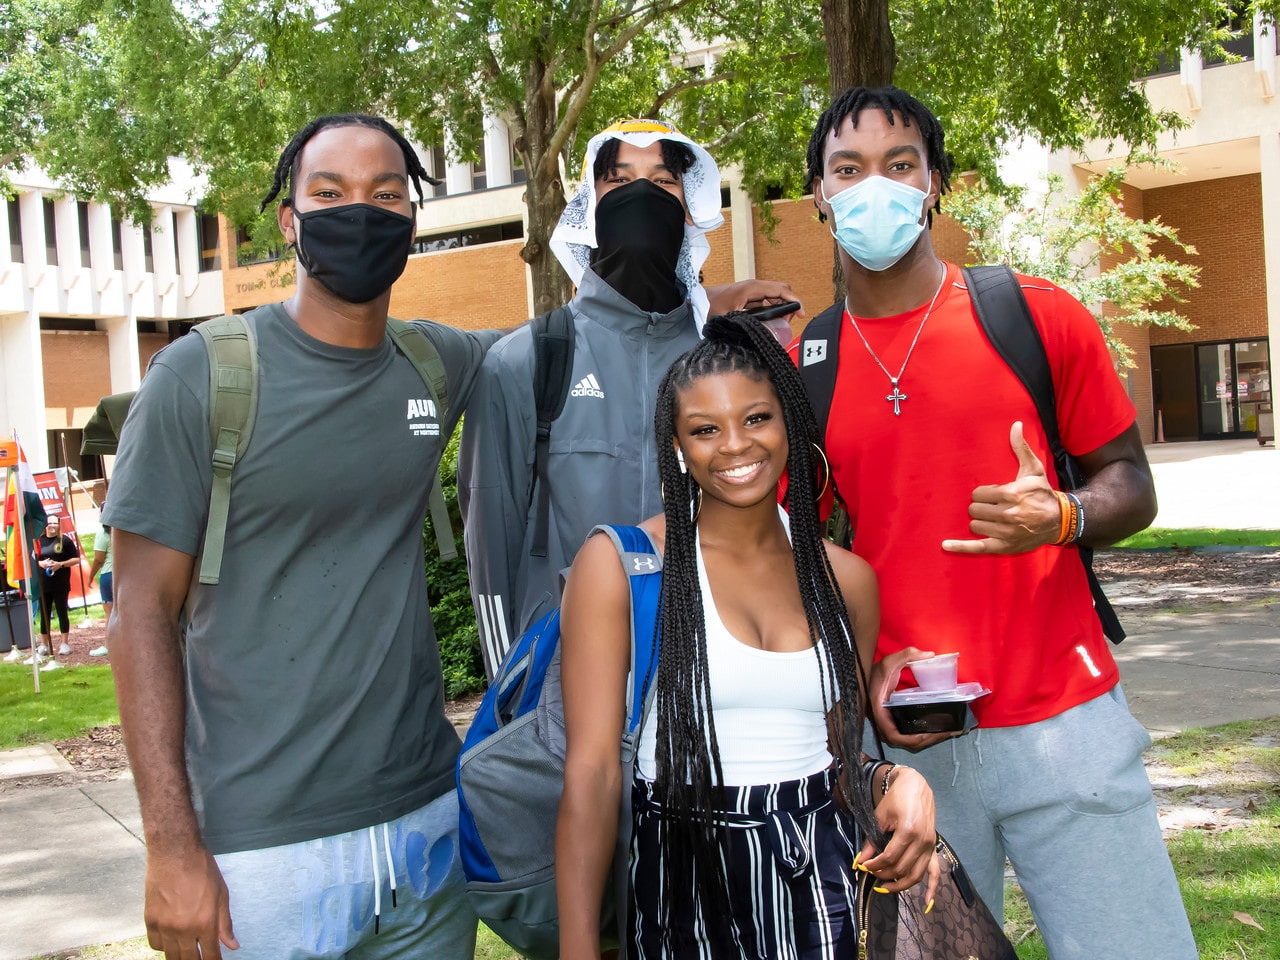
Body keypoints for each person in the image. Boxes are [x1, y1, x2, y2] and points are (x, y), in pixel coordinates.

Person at [794, 85, 1196, 959]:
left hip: (1066, 720)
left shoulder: (1033, 315)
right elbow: (798, 564)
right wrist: (861, 679)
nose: (876, 187)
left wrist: (1062, 513)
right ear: (820, 196)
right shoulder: (802, 370)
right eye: (848, 169)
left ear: (934, 182)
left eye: (900, 165)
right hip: (908, 747)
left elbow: (1130, 482)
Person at [102, 114, 517, 960]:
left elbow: (559, 343)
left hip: (428, 833)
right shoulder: (204, 376)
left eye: (386, 194)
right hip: (264, 859)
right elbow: (137, 614)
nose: (358, 212)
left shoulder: (434, 365)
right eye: (328, 195)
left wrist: (708, 300)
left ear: (411, 221)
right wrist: (172, 849)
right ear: (290, 222)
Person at [556, 314, 939, 959]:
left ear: (790, 421)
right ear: (677, 445)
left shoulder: (846, 581)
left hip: (824, 875)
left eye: (756, 418)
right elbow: (590, 774)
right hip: (682, 871)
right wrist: (578, 947)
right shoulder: (623, 566)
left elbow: (838, 754)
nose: (735, 446)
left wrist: (894, 781)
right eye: (705, 429)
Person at [460, 118, 803, 675]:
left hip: (715, 679)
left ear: (688, 208)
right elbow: (491, 555)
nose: (641, 196)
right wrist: (514, 686)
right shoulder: (528, 360)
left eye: (663, 182)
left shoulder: (729, 359)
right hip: (566, 685)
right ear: (588, 205)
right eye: (619, 182)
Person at [32, 513, 79, 667]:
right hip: (43, 584)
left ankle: (65, 643)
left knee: (61, 611)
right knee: (44, 614)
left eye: (54, 523)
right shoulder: (39, 541)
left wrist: (61, 564)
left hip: (60, 584)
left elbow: (76, 559)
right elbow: (32, 559)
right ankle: (44, 644)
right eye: (49, 523)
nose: (52, 526)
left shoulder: (64, 540)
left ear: (59, 525)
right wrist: (41, 564)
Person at [86, 521, 112, 656]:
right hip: (127, 575)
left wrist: (90, 576)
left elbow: (98, 559)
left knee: (110, 613)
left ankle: (108, 645)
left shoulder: (103, 533)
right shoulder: (126, 530)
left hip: (109, 574)